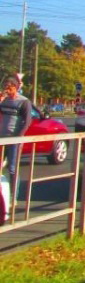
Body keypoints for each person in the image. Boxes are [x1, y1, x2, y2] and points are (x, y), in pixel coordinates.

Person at [0, 74, 32, 218]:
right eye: (5, 87)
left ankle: (14, 197)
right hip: (2, 138)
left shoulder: (23, 102)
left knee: (12, 168)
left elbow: (27, 121)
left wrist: (19, 137)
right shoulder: (4, 100)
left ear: (16, 87)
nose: (7, 90)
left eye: (10, 88)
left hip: (14, 139)